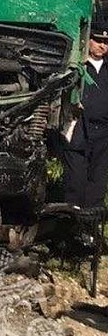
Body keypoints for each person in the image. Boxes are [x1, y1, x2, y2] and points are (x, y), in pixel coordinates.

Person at [62, 21, 108, 213]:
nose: (102, 45)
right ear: (88, 40)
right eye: (98, 40)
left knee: (98, 180)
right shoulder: (76, 66)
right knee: (75, 178)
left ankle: (91, 226)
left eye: (106, 42)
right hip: (79, 127)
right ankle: (70, 223)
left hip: (104, 132)